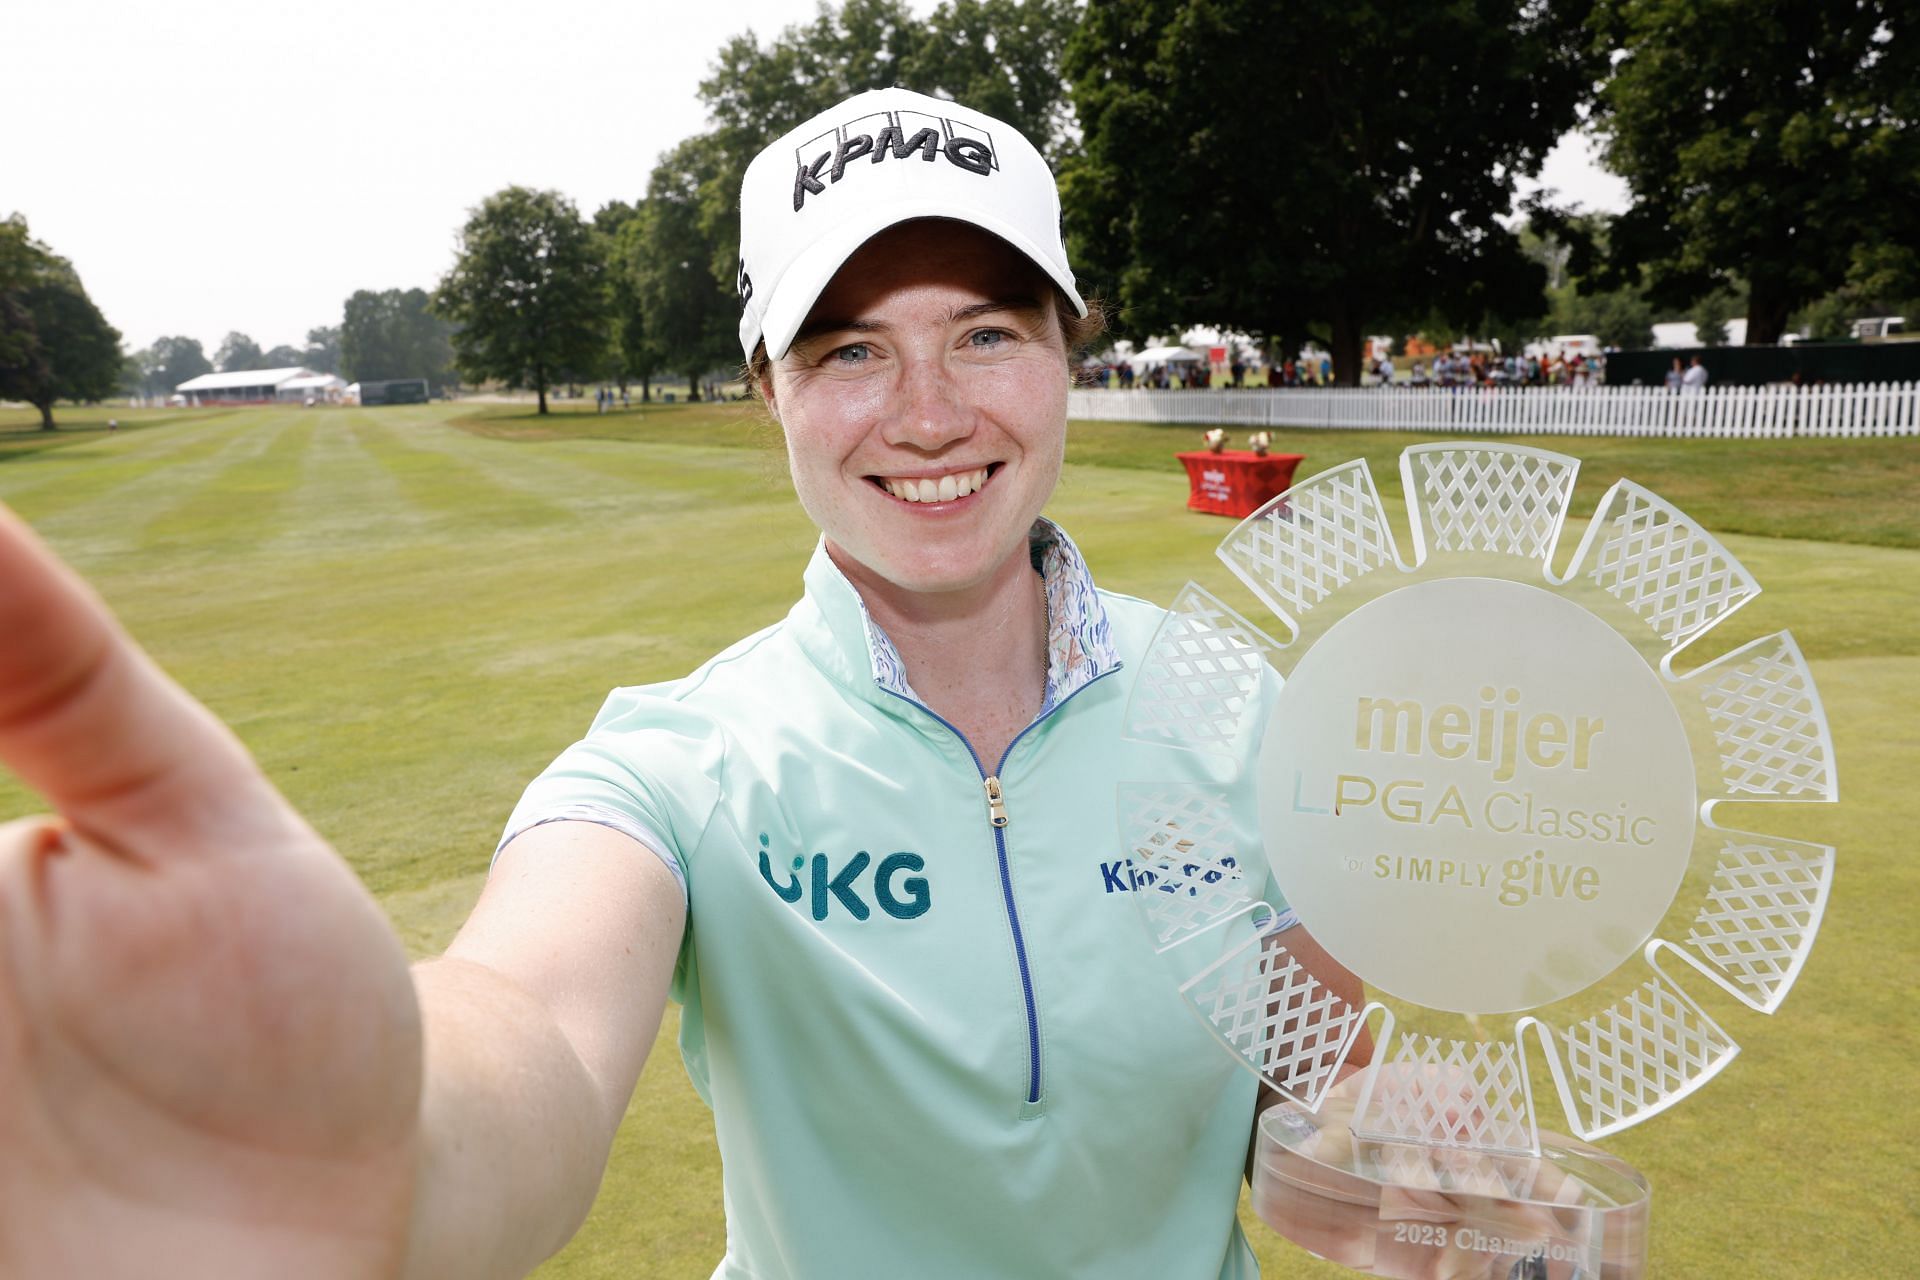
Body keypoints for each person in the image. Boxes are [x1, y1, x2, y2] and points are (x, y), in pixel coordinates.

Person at [0, 87, 1361, 1280]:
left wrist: (1408, 1174)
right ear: (769, 388)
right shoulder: (673, 767)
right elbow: (526, 1026)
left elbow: (1304, 1108)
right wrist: (358, 1132)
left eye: (987, 334)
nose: (931, 413)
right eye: (850, 350)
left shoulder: (1234, 706)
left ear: (1071, 353)